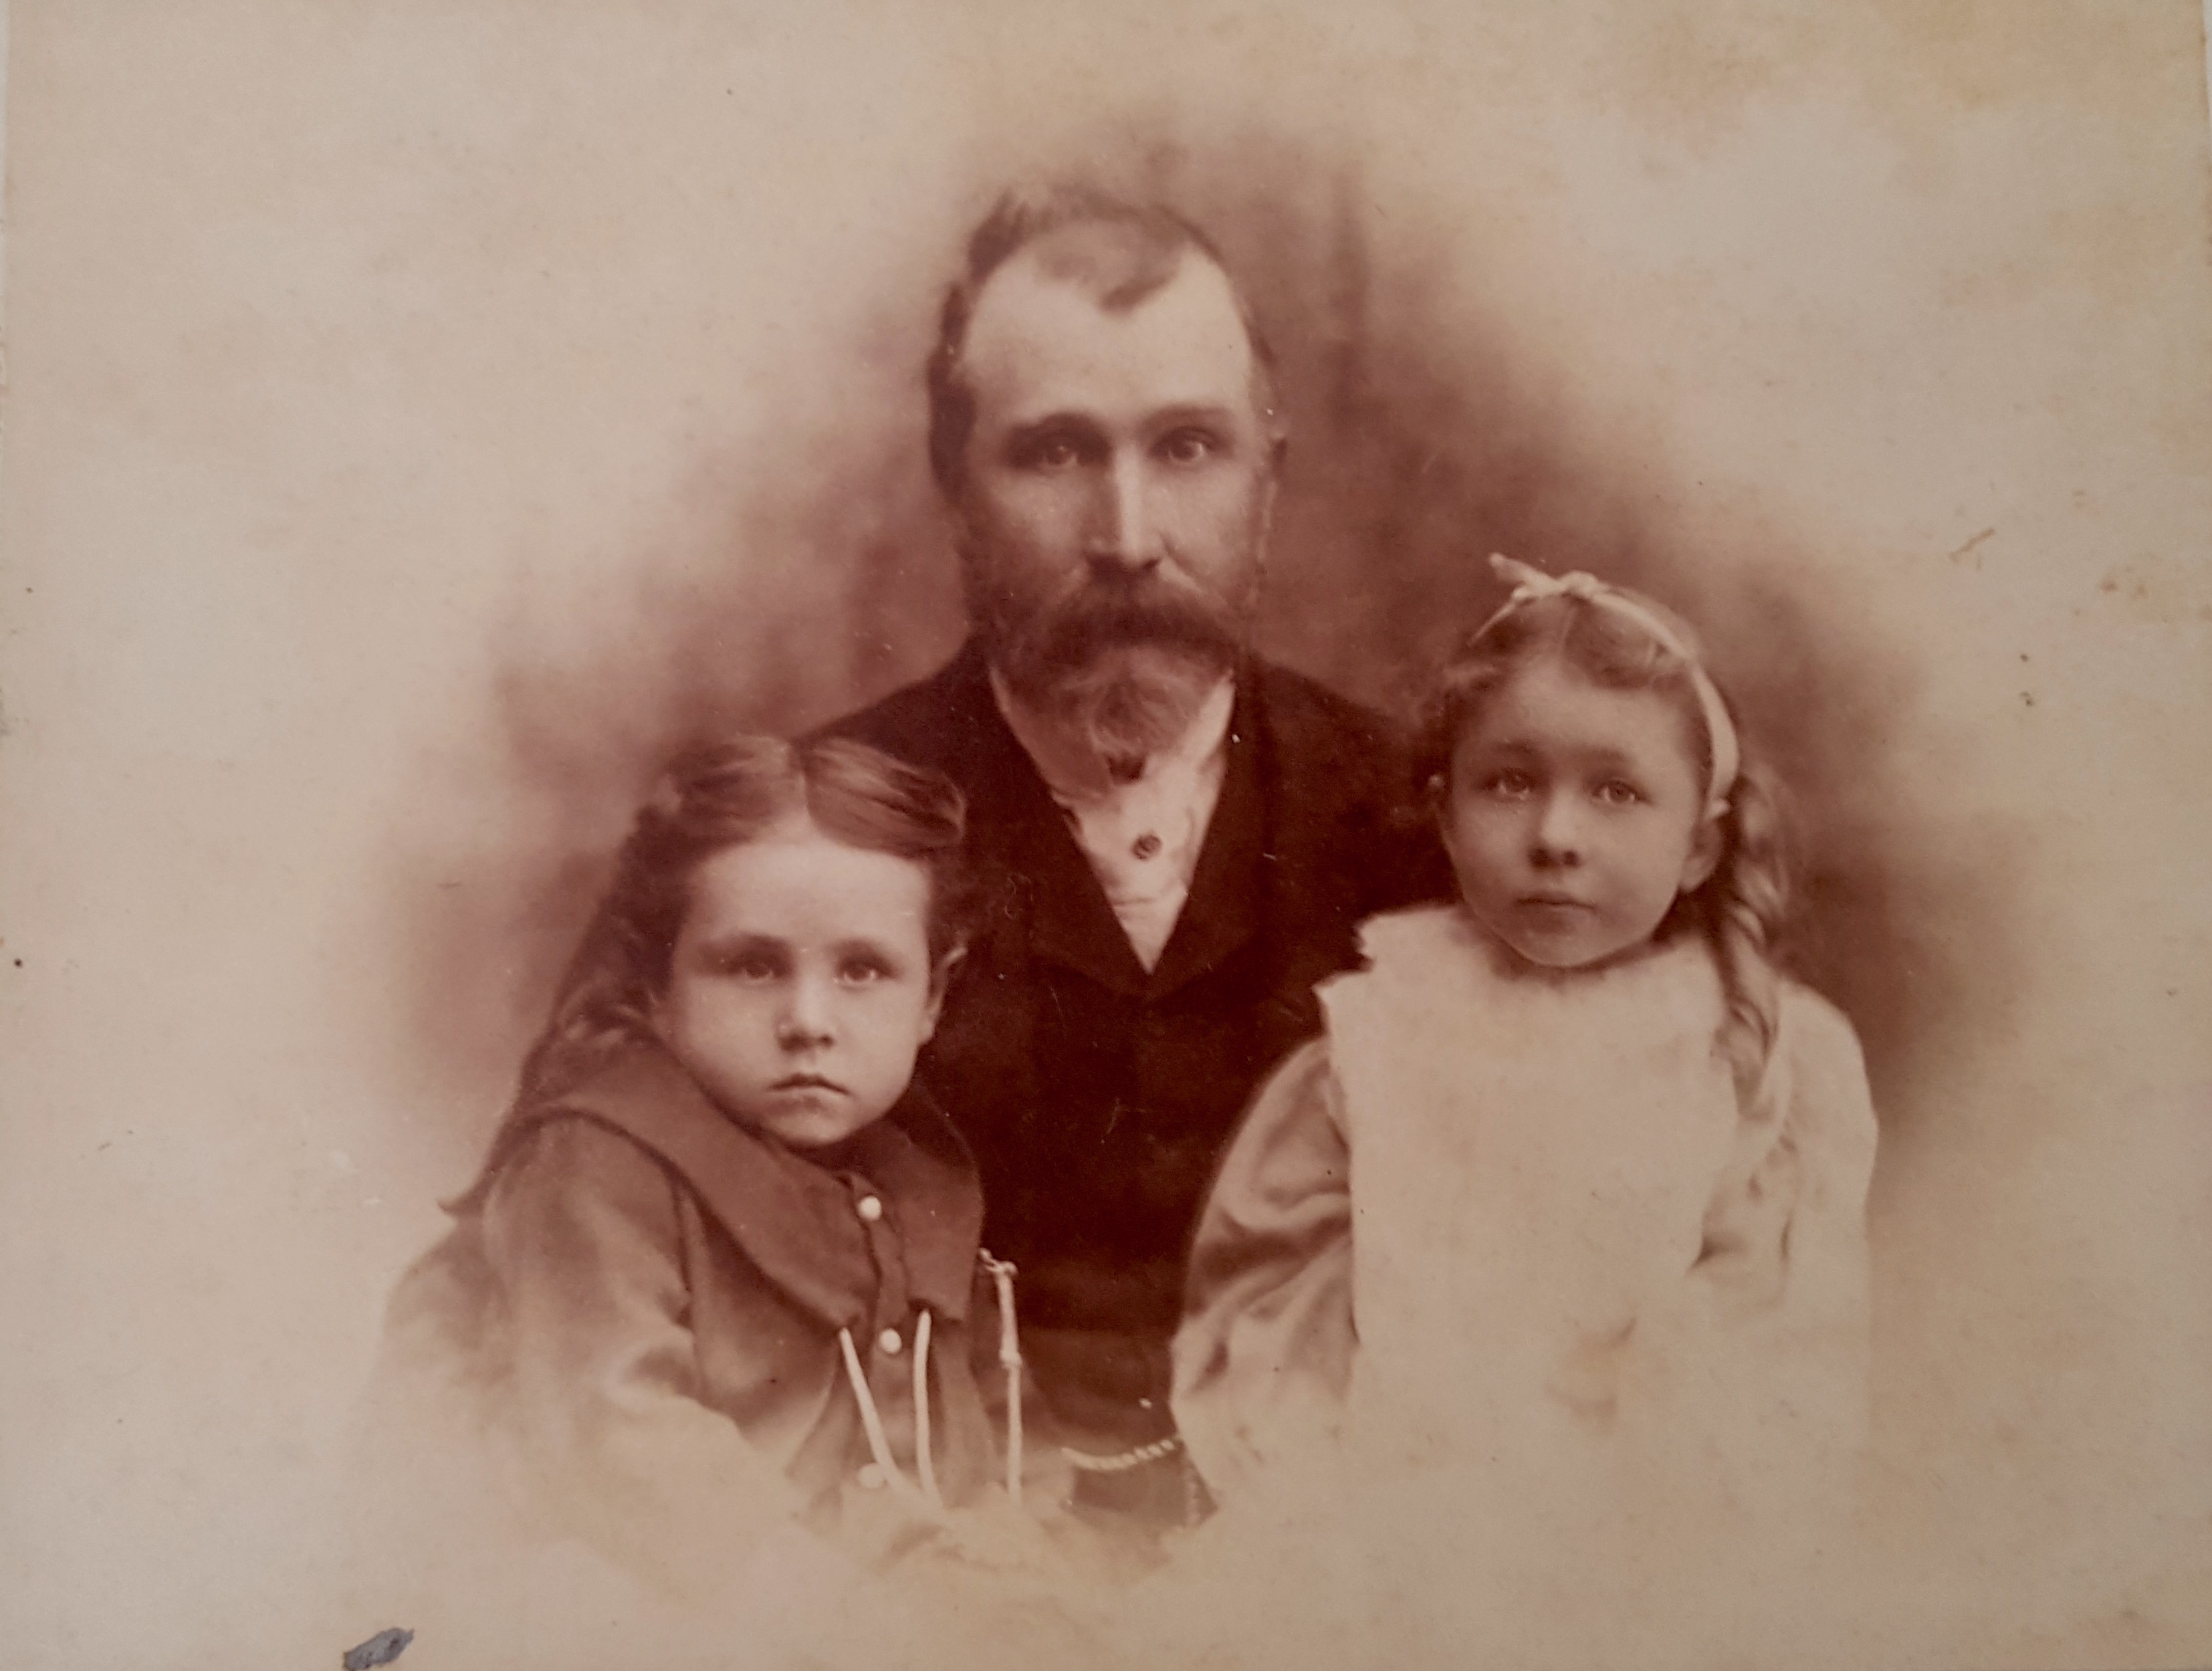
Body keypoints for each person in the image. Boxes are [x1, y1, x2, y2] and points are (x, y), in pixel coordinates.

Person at [824, 183, 1448, 1533]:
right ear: (953, 482)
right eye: (1054, 453)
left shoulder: (1430, 826)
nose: (1127, 537)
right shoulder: (808, 833)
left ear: (1268, 469)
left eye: (1187, 447)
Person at [1168, 556, 1879, 1637]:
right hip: (1391, 1529)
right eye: (1508, 782)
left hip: (1654, 1545)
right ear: (1445, 815)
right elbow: (1269, 1315)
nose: (1555, 836)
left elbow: (1772, 1347)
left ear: (1699, 846)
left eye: (1616, 792)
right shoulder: (1376, 1040)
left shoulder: (1760, 1057)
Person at [354, 736, 1067, 1659]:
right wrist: (851, 1620)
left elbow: (995, 1425)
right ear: (657, 986)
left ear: (934, 996)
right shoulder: (600, 1158)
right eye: (754, 967)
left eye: (862, 971)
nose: (809, 1022)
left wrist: (1028, 1564)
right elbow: (620, 1438)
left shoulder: (914, 1172)